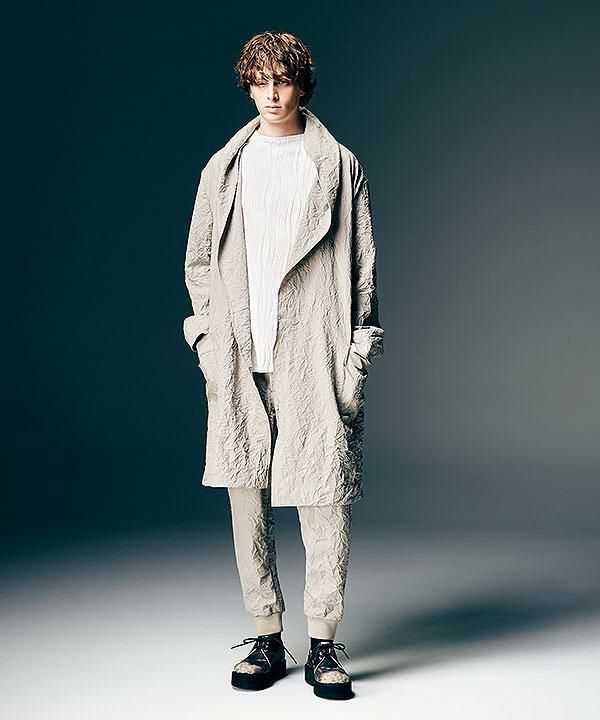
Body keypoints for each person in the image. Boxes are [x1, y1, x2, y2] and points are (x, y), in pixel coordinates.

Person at [183, 30, 384, 701]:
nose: (272, 93)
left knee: (325, 495)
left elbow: (362, 269)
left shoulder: (339, 166)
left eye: (284, 80)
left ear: (302, 85)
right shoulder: (224, 168)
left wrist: (357, 352)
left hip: (315, 353)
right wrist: (207, 339)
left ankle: (324, 642)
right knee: (247, 496)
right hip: (242, 355)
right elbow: (200, 263)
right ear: (247, 85)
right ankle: (266, 635)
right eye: (260, 80)